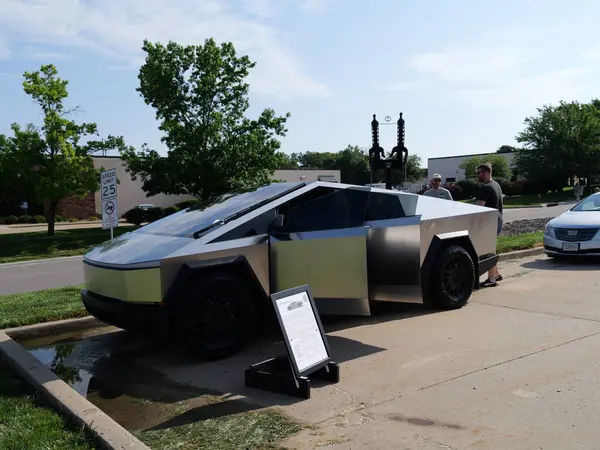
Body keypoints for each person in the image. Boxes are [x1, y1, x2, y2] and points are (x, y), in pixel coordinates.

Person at [475, 163, 503, 287]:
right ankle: (496, 273)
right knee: (491, 247)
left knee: (488, 250)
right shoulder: (496, 185)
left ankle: (491, 279)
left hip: (489, 223)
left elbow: (478, 209)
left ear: (486, 172)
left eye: (478, 173)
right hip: (498, 220)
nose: (477, 175)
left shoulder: (485, 188)